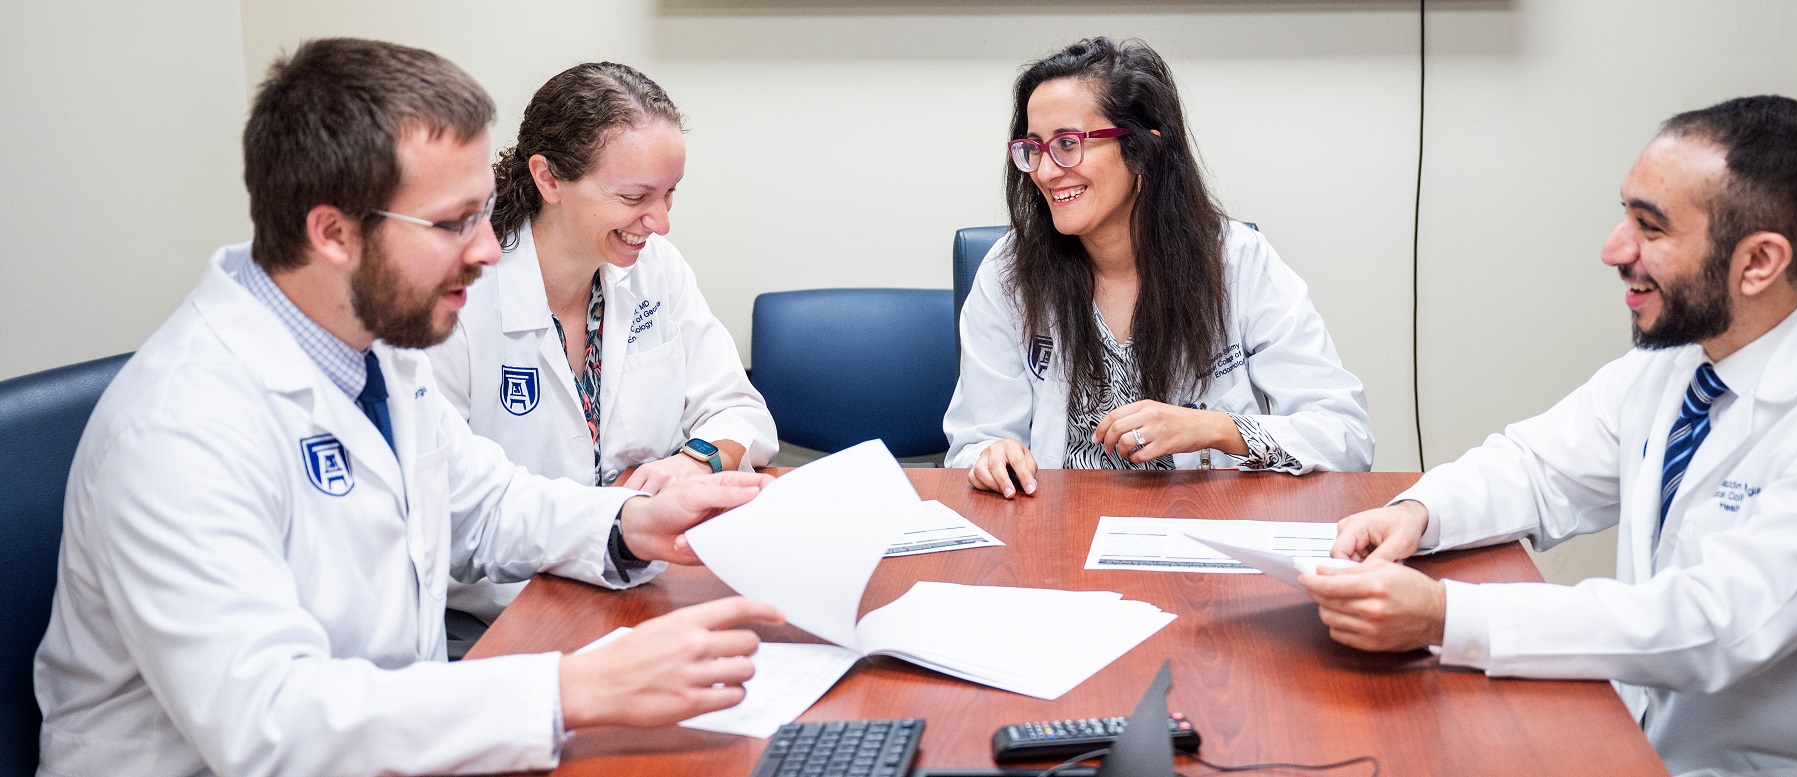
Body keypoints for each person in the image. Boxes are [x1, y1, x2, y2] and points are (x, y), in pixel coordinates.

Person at [34, 39, 784, 777]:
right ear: (332, 232)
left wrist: (628, 525)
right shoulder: (180, 429)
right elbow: (267, 723)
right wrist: (570, 689)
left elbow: (486, 503)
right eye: (455, 222)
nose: (491, 250)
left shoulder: (377, 352)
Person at [1305, 96, 1797, 776]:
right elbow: (1538, 467)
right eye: (1626, 212)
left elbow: (1715, 623)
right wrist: (1419, 512)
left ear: (1759, 262)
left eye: (1650, 228)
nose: (1613, 249)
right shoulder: (1682, 362)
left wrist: (1447, 616)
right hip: (1647, 743)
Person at [945, 37, 1373, 497]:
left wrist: (1214, 428)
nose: (1046, 172)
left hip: (1208, 529)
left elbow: (1345, 436)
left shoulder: (1237, 260)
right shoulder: (1009, 273)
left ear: (1143, 151)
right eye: (1034, 147)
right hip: (1054, 539)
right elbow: (974, 446)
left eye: (1068, 144)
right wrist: (992, 458)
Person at [429, 62, 777, 625]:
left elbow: (738, 409)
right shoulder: (457, 296)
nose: (659, 223)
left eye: (669, 195)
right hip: (501, 611)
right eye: (635, 196)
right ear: (548, 179)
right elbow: (452, 511)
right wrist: (619, 515)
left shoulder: (653, 268)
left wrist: (697, 461)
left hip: (639, 585)